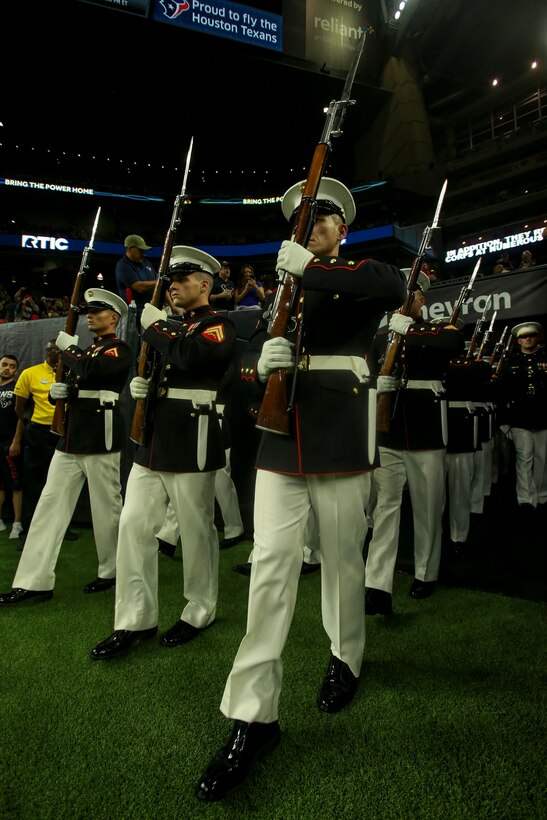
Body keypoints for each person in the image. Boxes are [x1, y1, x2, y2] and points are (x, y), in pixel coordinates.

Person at [196, 178, 406, 802]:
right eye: (302, 220)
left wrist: (310, 269)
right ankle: (253, 716)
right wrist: (263, 359)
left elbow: (388, 289)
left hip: (339, 431)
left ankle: (346, 656)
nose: (311, 226)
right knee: (269, 567)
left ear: (343, 226)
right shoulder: (284, 287)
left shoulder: (357, 269)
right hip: (281, 435)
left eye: (322, 218)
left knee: (343, 558)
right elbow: (248, 355)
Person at [90, 246, 236, 661]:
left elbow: (194, 355)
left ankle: (200, 608)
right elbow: (167, 363)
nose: (172, 286)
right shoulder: (170, 325)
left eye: (182, 280)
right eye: (169, 280)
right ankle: (134, 618)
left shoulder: (217, 324)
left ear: (205, 284)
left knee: (196, 529)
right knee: (134, 525)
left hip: (192, 434)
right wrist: (145, 387)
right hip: (153, 439)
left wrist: (156, 328)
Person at [0, 289, 132, 606]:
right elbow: (79, 378)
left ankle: (111, 571)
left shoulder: (118, 349)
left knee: (106, 509)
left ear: (113, 317)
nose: (90, 315)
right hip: (71, 437)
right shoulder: (86, 350)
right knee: (49, 506)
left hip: (101, 435)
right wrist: (58, 393)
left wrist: (69, 352)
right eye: (87, 310)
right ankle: (34, 581)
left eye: (97, 310)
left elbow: (93, 371)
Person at [364, 275, 465, 616]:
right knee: (385, 509)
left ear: (421, 300)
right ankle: (377, 584)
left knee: (427, 506)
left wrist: (409, 330)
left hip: (425, 430)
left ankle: (425, 572)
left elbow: (454, 344)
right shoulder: (379, 336)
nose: (405, 298)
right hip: (389, 428)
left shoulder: (438, 329)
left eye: (411, 293)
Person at [8, 339, 78, 549]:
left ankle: (62, 528)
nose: (56, 352)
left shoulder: (72, 372)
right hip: (39, 432)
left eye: (60, 349)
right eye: (52, 349)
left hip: (65, 432)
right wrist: (26, 425)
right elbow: (20, 408)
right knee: (34, 482)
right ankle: (28, 531)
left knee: (63, 483)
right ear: (47, 351)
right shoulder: (30, 373)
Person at [496, 321, 547, 510]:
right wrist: (503, 421)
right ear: (518, 341)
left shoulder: (544, 358)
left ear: (537, 338)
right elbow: (501, 393)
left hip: (543, 417)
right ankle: (525, 498)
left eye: (531, 336)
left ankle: (542, 495)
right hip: (519, 419)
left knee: (542, 459)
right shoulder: (511, 363)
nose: (528, 339)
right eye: (524, 337)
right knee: (523, 460)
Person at [0, 354, 23, 538]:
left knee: (16, 483)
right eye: (4, 365)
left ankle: (17, 523)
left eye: (12, 366)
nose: (7, 368)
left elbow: (21, 417)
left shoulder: (17, 387)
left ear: (16, 370)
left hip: (10, 442)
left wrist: (16, 440)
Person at [114, 234, 157, 323]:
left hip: (152, 310)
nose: (144, 254)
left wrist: (172, 306)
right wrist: (160, 282)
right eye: (141, 250)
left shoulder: (147, 263)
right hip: (133, 315)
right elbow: (139, 287)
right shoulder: (123, 265)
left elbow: (159, 284)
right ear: (130, 249)